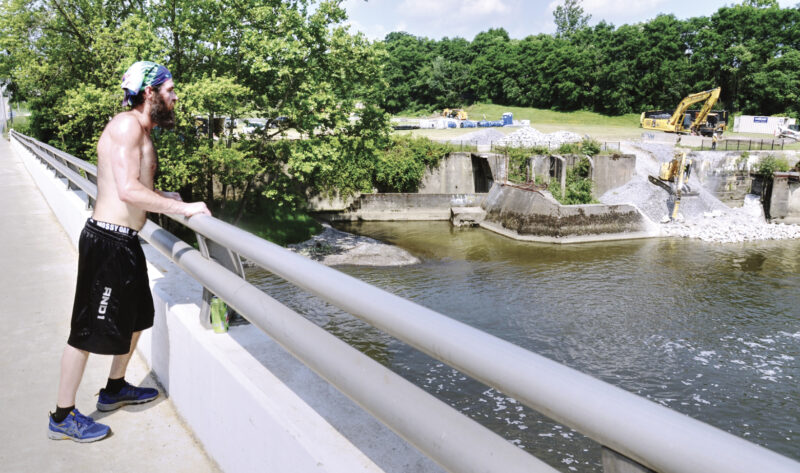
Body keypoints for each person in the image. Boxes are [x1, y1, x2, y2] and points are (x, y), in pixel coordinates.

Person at [48, 61, 211, 442]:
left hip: (125, 242)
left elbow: (136, 185)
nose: (175, 98)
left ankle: (115, 388)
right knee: (87, 329)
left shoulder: (142, 129)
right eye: (170, 91)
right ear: (150, 92)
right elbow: (126, 190)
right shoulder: (126, 126)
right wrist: (183, 208)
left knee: (138, 318)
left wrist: (164, 195)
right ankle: (62, 416)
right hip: (107, 243)